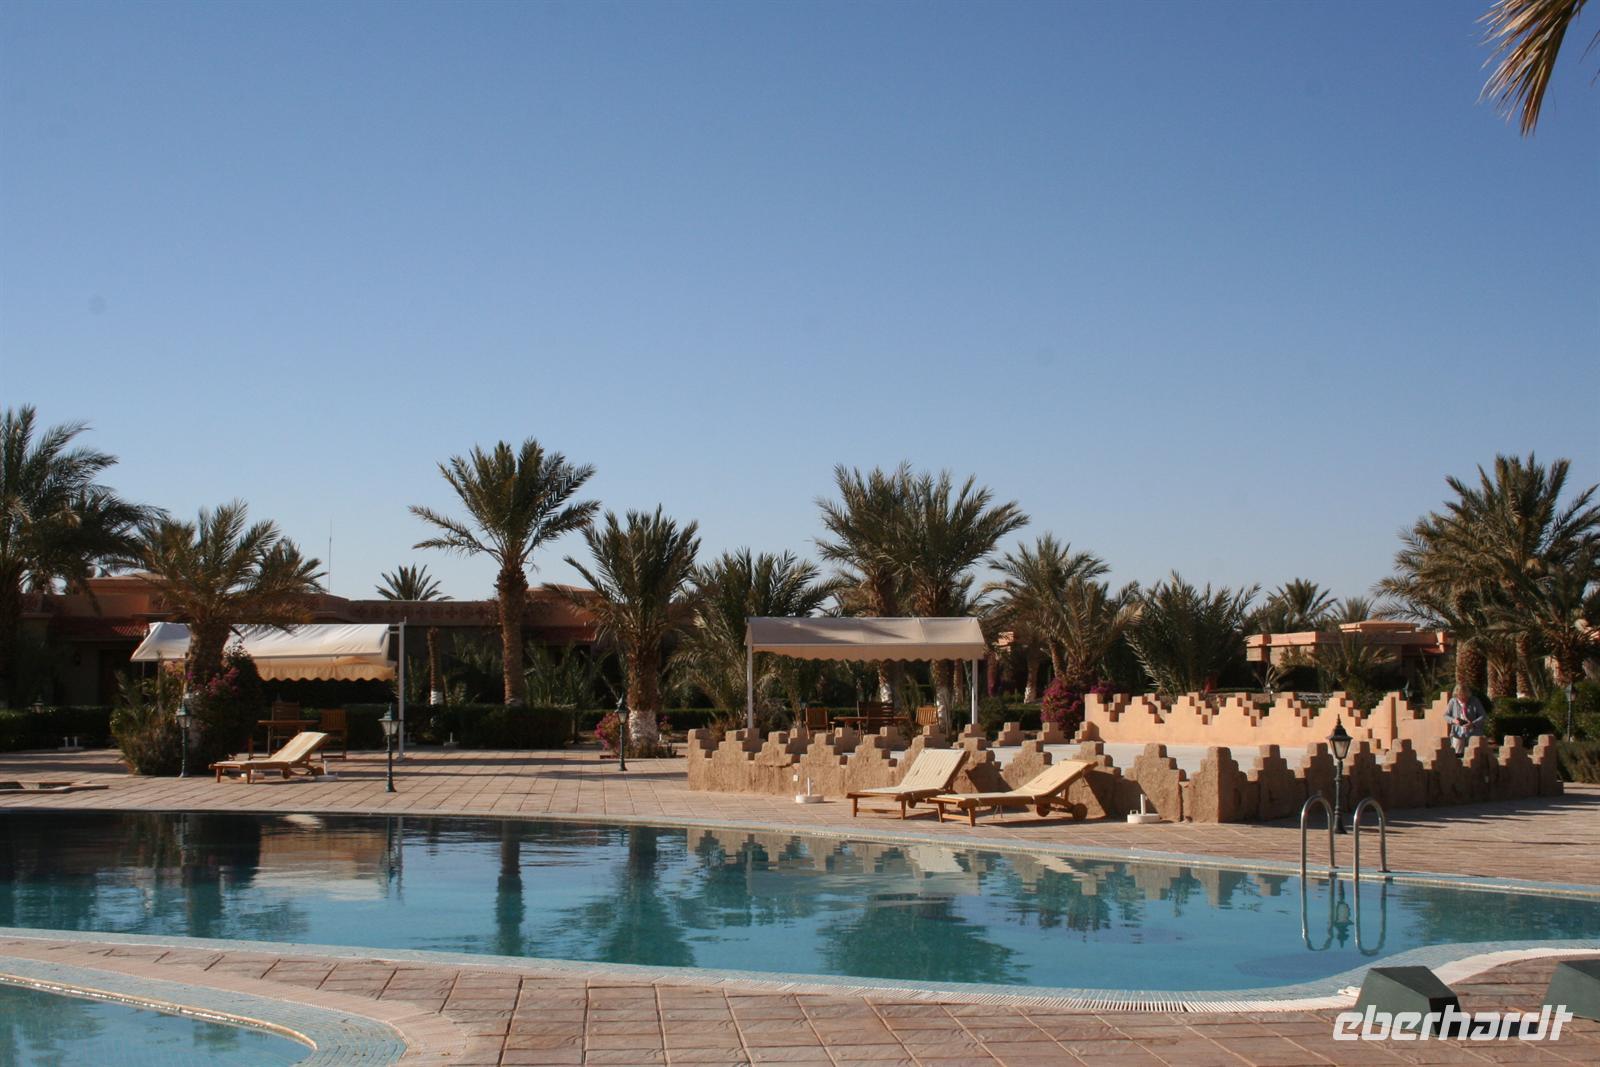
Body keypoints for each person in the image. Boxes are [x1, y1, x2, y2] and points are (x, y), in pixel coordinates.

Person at [1445, 686, 1486, 756]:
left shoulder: (1474, 701)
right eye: (1460, 698)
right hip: (1458, 732)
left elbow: (1483, 716)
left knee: (1473, 755)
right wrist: (1453, 720)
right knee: (1457, 755)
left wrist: (1473, 724)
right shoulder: (1453, 701)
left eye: (1465, 697)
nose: (1463, 699)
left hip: (1473, 732)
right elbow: (1446, 716)